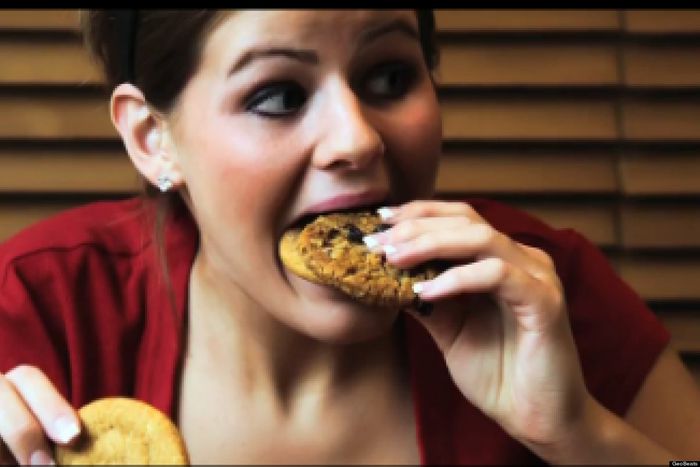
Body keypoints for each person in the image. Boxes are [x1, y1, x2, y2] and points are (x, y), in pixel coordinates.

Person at [0, 9, 698, 465]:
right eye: (279, 95)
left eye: (389, 76)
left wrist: (581, 434)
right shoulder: (41, 311)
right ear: (154, 139)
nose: (358, 139)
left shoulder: (544, 301)